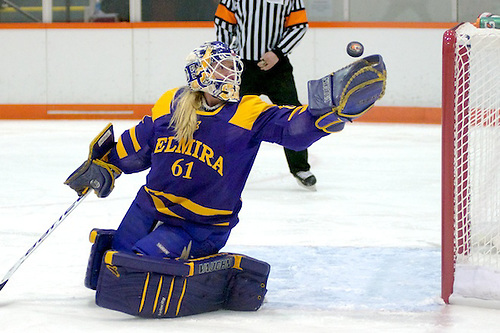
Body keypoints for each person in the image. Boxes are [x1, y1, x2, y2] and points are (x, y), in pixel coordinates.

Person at [65, 41, 386, 318]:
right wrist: (106, 165)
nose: (231, 77)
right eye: (220, 71)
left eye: (233, 70)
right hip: (149, 207)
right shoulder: (170, 103)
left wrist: (330, 112)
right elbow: (139, 142)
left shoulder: (249, 111)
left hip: (198, 224)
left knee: (134, 272)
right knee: (111, 269)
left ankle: (207, 267)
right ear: (199, 75)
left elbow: (293, 128)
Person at [214, 0, 316, 190]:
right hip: (243, 67)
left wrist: (278, 52)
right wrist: (227, 54)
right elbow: (223, 22)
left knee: (294, 115)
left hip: (278, 68)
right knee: (231, 116)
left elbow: (299, 26)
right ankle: (223, 167)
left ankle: (300, 168)